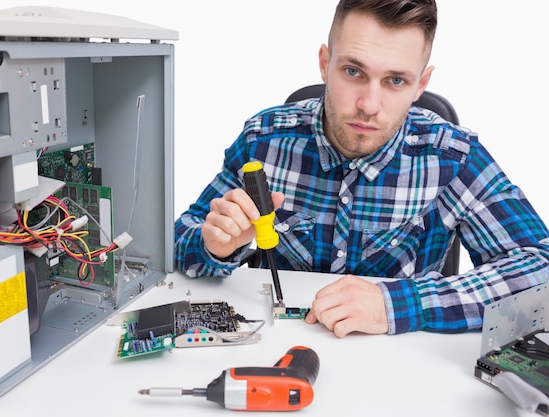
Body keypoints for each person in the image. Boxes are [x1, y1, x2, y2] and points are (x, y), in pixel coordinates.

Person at [174, 0, 549, 337]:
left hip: (397, 372)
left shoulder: (454, 157)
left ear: (421, 84)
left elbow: (541, 271)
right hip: (272, 346)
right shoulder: (264, 141)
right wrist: (214, 247)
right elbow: (177, 242)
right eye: (353, 72)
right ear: (325, 63)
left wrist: (400, 303)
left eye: (396, 80)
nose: (370, 104)